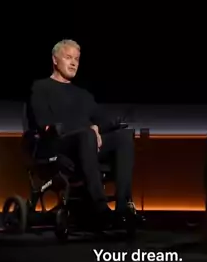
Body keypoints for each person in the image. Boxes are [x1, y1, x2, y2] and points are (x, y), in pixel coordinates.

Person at [28, 39, 142, 230]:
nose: (74, 63)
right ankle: (100, 207)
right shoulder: (40, 88)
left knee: (124, 137)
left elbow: (103, 119)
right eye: (68, 57)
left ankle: (123, 207)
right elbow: (43, 123)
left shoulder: (83, 94)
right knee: (87, 134)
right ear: (55, 60)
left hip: (87, 144)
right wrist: (89, 130)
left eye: (77, 59)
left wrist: (97, 127)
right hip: (59, 145)